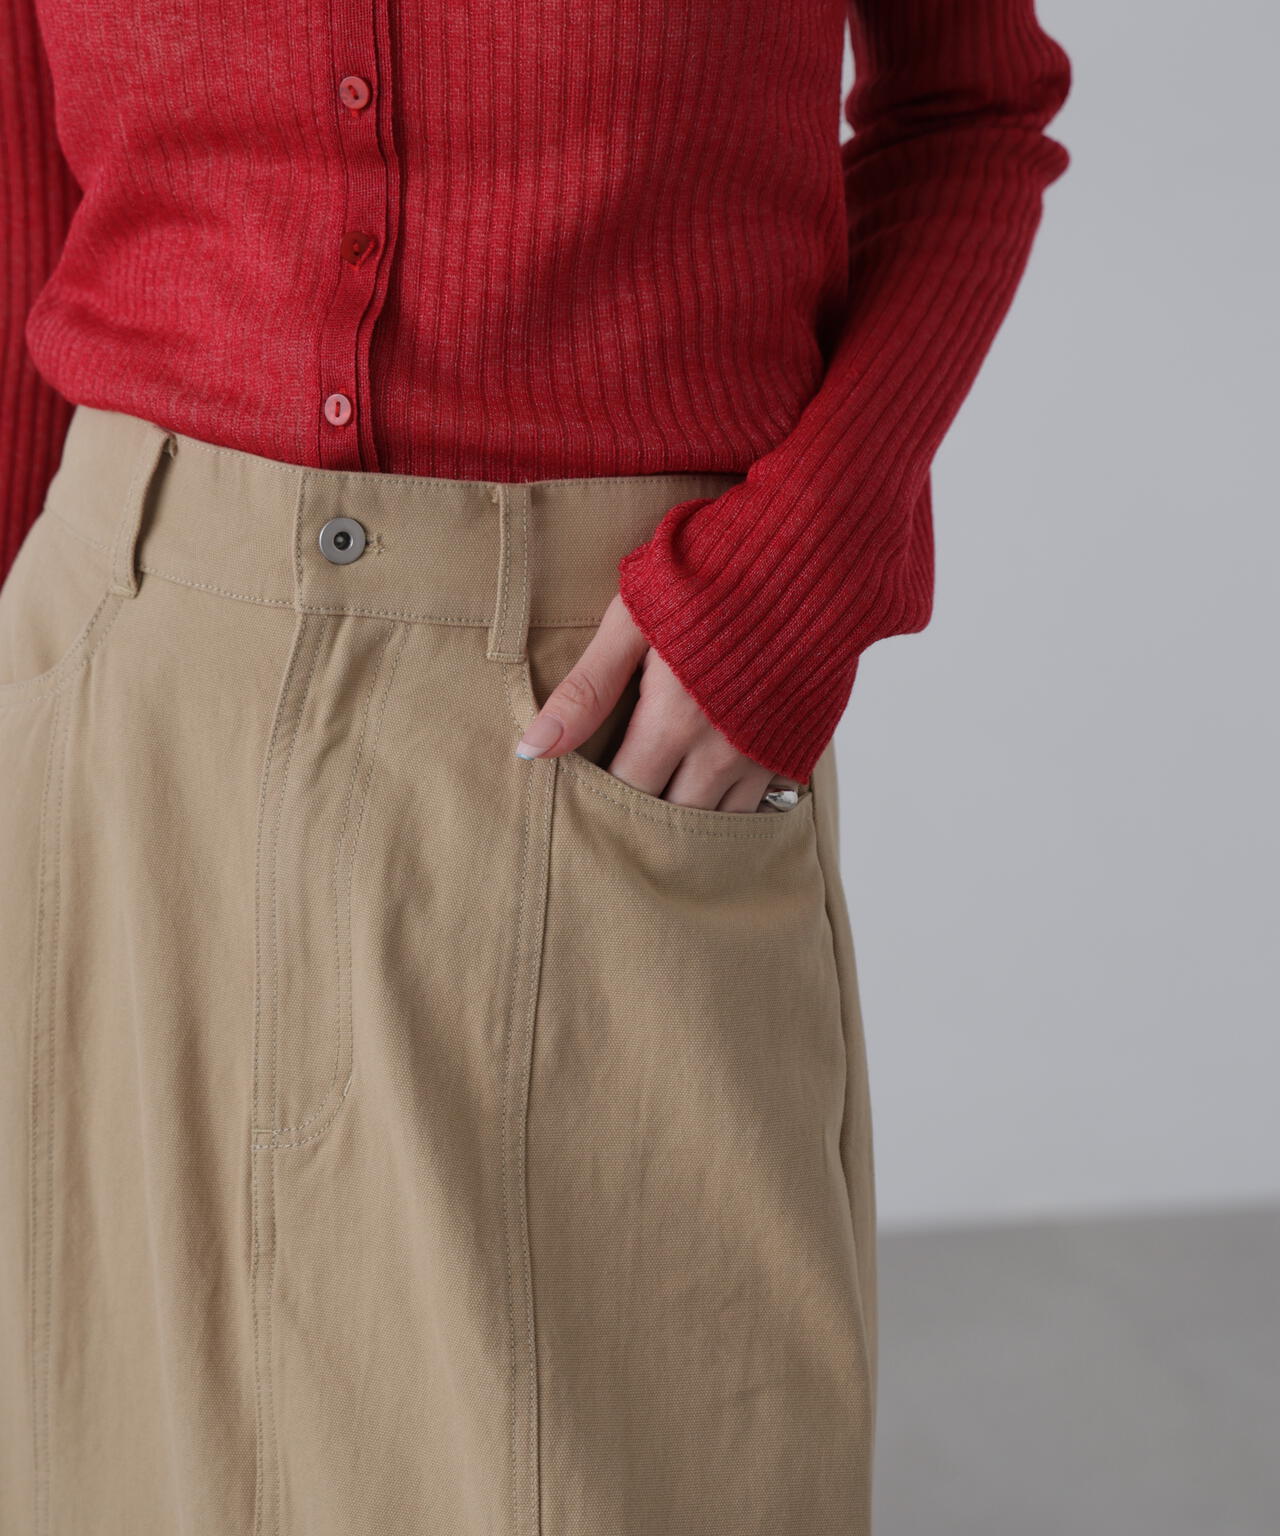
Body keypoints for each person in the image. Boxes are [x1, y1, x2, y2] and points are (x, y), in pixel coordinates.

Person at [0, 1, 1069, 1532]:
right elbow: (18, 190)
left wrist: (796, 577)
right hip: (126, 706)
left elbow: (970, 112)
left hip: (601, 711)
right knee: (110, 1469)